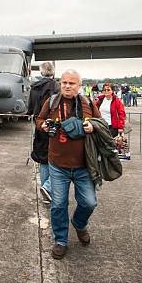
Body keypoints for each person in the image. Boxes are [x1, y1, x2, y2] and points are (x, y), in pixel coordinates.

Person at [36, 69, 101, 260]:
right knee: (58, 205)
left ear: (79, 86)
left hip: (83, 166)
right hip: (57, 164)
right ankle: (61, 240)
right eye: (64, 82)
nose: (67, 86)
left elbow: (101, 123)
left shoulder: (88, 103)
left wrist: (92, 126)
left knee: (89, 202)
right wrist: (44, 126)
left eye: (71, 83)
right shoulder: (52, 102)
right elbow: (38, 120)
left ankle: (79, 224)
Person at [27, 61, 59, 203]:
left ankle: (46, 191)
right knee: (58, 158)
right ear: (52, 72)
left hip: (39, 123)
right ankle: (48, 187)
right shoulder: (56, 86)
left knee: (43, 158)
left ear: (41, 72)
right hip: (54, 124)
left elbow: (30, 105)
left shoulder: (35, 86)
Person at [95, 82, 127, 159]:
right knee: (101, 143)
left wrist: (120, 127)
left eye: (108, 90)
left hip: (112, 126)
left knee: (107, 144)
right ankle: (103, 160)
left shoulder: (117, 101)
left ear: (112, 90)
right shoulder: (100, 100)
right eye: (104, 90)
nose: (106, 91)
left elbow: (121, 115)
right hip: (101, 126)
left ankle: (110, 160)